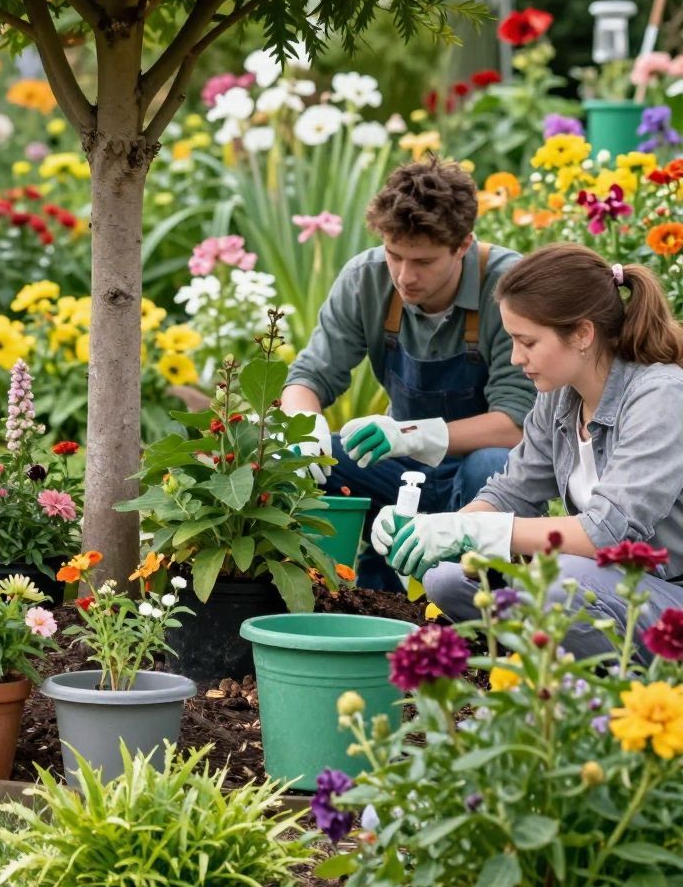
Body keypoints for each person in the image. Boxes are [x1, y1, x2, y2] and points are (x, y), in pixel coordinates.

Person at [374, 245, 683, 658]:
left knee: (557, 581)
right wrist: (433, 531)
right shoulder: (560, 397)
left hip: (665, 595)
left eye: (528, 342)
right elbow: (510, 493)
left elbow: (605, 533)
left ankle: (599, 673)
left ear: (583, 334)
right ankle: (544, 656)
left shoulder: (660, 397)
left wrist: (473, 532)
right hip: (605, 589)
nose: (516, 358)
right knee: (447, 577)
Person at [281, 157, 532, 589]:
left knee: (492, 464)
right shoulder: (366, 279)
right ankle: (329, 589)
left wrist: (414, 435)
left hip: (480, 476)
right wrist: (303, 426)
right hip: (400, 469)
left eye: (423, 261)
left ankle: (483, 599)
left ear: (463, 245)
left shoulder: (508, 286)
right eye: (394, 255)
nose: (404, 276)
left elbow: (516, 425)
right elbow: (309, 375)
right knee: (314, 462)